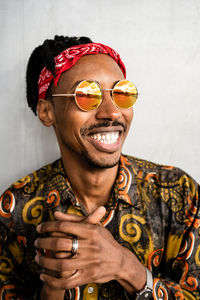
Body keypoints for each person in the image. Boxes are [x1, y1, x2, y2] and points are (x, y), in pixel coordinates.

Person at [0, 35, 199, 300]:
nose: (113, 112)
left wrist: (128, 269)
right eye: (85, 95)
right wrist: (53, 288)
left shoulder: (179, 194)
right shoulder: (14, 209)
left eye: (122, 93)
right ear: (47, 111)